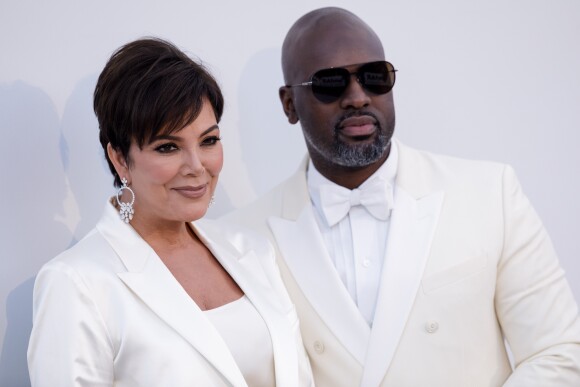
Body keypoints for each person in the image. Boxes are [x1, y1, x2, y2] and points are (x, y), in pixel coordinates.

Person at [223, 7, 580, 387]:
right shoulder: (242, 239)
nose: (358, 97)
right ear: (289, 104)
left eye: (375, 77)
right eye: (330, 83)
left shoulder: (491, 193)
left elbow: (556, 352)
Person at [27, 37, 314, 387]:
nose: (196, 166)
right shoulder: (76, 282)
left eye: (208, 140)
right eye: (168, 147)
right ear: (120, 158)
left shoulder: (253, 251)